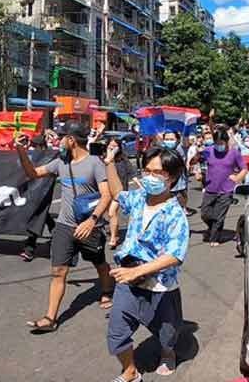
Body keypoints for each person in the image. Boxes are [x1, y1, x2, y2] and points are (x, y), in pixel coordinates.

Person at [16, 123, 114, 333]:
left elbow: (107, 194)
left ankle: (107, 288)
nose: (58, 140)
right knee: (58, 272)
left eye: (61, 137)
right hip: (64, 226)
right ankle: (50, 318)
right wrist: (21, 150)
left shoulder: (95, 163)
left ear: (71, 140)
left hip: (90, 226)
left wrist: (92, 221)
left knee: (99, 263)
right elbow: (33, 173)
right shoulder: (60, 162)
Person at [105, 145, 190, 381]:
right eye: (147, 171)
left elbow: (175, 254)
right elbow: (117, 193)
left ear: (171, 178)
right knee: (117, 332)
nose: (149, 177)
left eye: (157, 172)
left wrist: (140, 271)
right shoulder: (139, 199)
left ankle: (168, 353)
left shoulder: (175, 214)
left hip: (161, 287)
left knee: (166, 334)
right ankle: (130, 371)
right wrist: (109, 162)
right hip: (128, 279)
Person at [191, 129, 247, 247]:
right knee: (205, 213)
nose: (219, 146)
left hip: (226, 189)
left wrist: (237, 179)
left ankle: (214, 237)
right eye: (217, 143)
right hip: (210, 188)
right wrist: (197, 156)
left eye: (221, 143)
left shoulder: (234, 153)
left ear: (227, 142)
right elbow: (194, 162)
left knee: (219, 215)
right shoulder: (208, 151)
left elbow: (244, 168)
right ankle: (213, 228)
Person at [20, 134, 57, 262]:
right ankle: (57, 233)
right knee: (43, 215)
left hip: (43, 190)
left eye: (35, 145)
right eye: (32, 145)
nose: (33, 147)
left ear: (41, 146)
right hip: (31, 191)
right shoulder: (30, 155)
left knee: (37, 216)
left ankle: (29, 248)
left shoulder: (50, 156)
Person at [105, 136, 139, 249]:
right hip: (105, 191)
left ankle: (114, 238)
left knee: (111, 212)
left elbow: (132, 174)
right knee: (109, 214)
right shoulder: (102, 159)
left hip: (119, 192)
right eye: (111, 146)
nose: (113, 148)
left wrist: (141, 186)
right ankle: (114, 232)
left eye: (115, 146)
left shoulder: (123, 159)